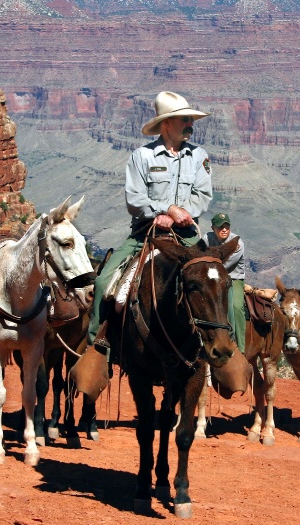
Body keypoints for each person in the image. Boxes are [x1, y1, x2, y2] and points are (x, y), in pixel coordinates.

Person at [86, 91, 213, 346]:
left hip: (186, 235)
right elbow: (135, 199)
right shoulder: (141, 157)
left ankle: (226, 346)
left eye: (191, 119)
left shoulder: (200, 156)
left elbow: (203, 195)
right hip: (145, 233)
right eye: (185, 119)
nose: (190, 124)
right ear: (166, 124)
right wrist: (164, 210)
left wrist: (177, 216)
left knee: (216, 281)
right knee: (103, 283)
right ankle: (97, 349)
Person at [203, 212, 246, 353]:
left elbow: (223, 266)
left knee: (236, 306)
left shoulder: (237, 242)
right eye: (220, 227)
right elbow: (199, 255)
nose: (224, 230)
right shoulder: (207, 238)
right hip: (213, 278)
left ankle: (240, 346)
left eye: (227, 227)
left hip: (233, 278)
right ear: (213, 228)